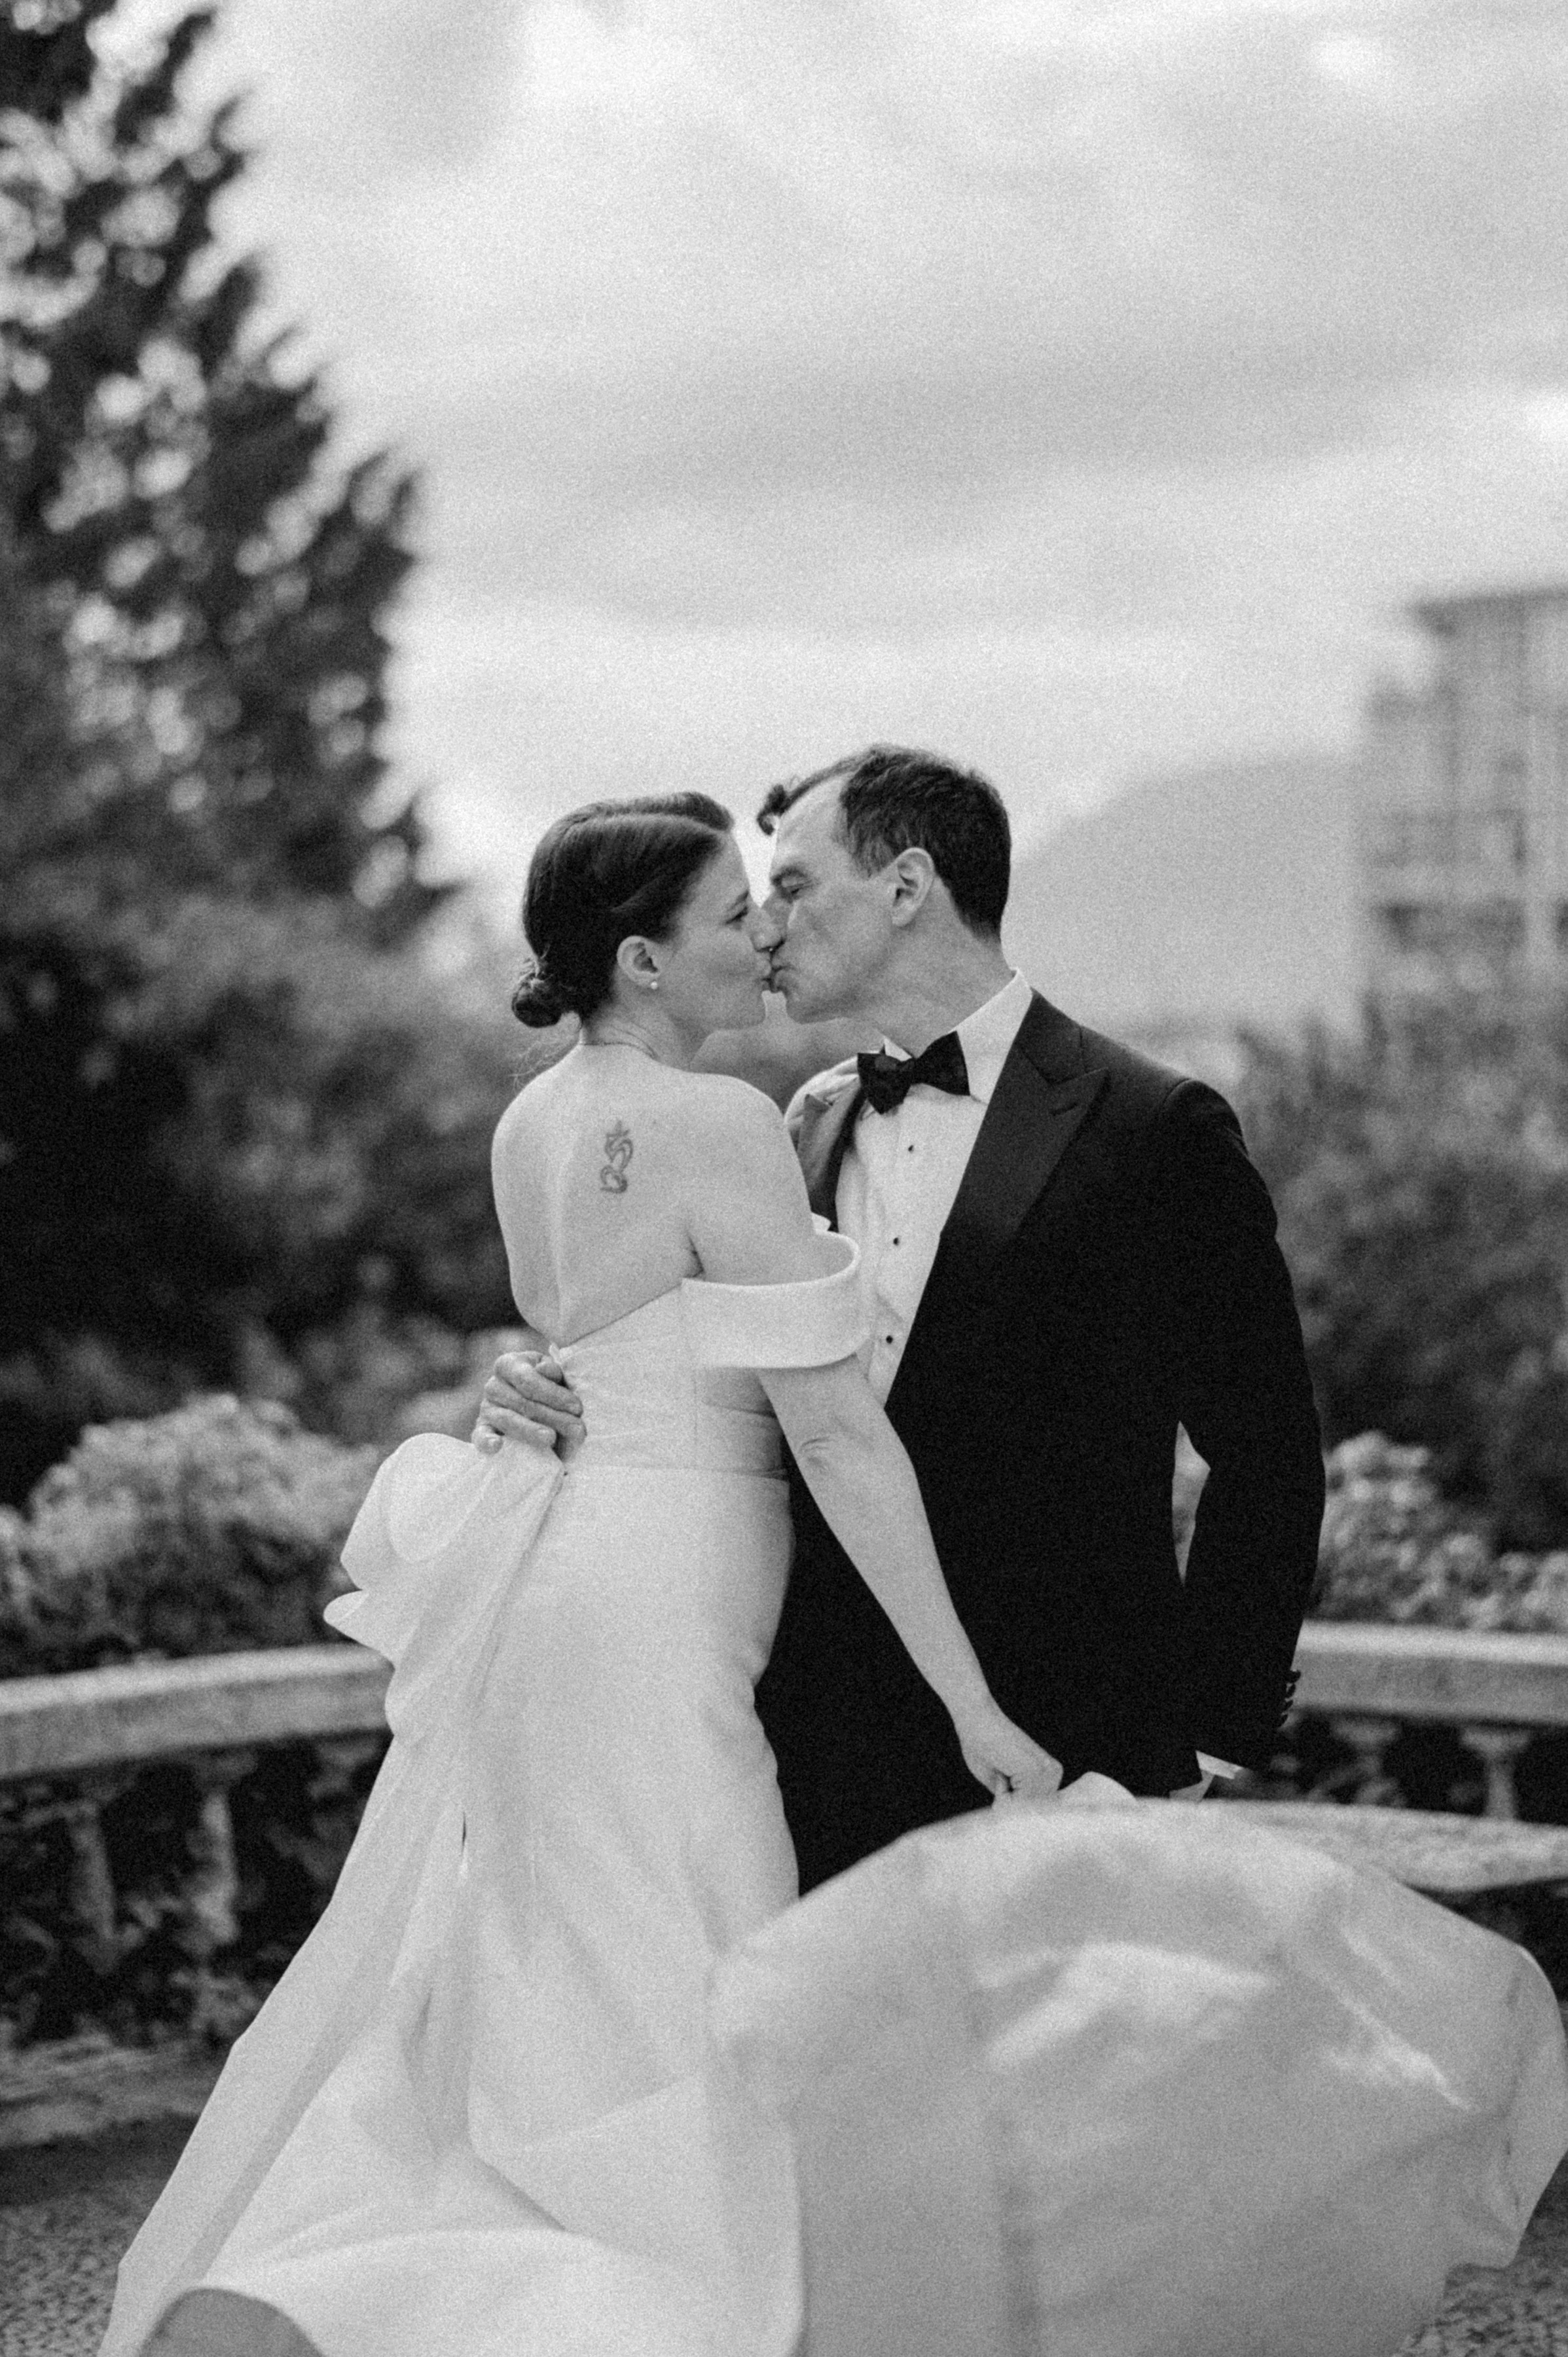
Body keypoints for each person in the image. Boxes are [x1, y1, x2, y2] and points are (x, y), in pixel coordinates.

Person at [101, 792, 1055, 2357]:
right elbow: (833, 1433)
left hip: (568, 1558)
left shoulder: (527, 1119)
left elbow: (581, 1342)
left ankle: (504, 2254)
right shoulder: (720, 1123)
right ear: (642, 958)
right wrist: (973, 1699)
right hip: (663, 1587)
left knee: (581, 1942)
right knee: (685, 1924)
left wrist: (509, 1382)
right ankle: (650, 2292)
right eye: (730, 911)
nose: (761, 932)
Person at [477, 745, 1329, 1890]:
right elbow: (714, 1369)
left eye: (790, 887)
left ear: (906, 887)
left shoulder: (1152, 1127)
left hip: (1066, 1743)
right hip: (810, 1733)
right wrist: (545, 1386)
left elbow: (1265, 1454)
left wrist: (1202, 1742)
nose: (768, 929)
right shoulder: (796, 1125)